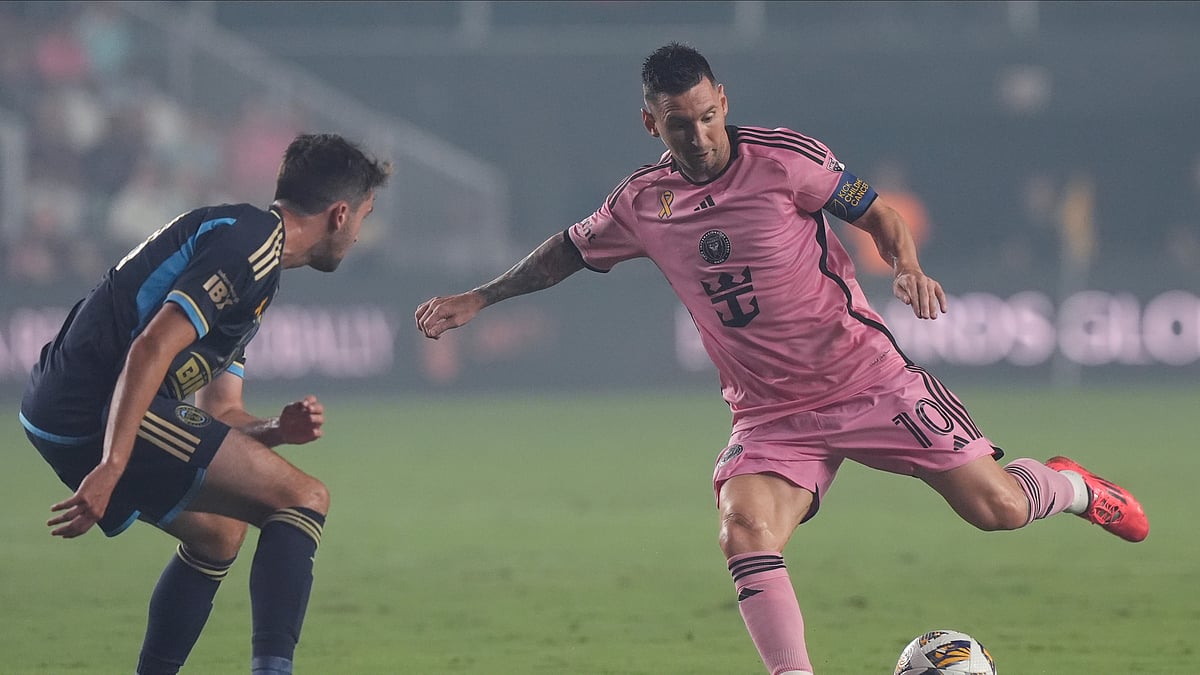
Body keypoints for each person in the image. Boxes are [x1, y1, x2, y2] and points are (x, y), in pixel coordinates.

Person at [414, 44, 1148, 675]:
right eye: (679, 124)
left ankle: (1073, 486)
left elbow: (879, 212)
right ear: (651, 123)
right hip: (771, 414)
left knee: (999, 508)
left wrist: (908, 265)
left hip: (869, 378)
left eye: (707, 115)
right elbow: (566, 252)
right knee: (744, 528)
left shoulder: (784, 159)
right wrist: (480, 298)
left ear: (722, 100)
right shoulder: (644, 202)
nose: (699, 135)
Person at [20, 133, 391, 675]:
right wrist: (113, 464)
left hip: (72, 408)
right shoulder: (250, 242)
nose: (360, 235)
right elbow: (151, 347)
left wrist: (274, 430)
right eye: (365, 216)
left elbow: (217, 418)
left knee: (219, 534)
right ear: (340, 214)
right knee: (303, 498)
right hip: (93, 407)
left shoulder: (254, 263)